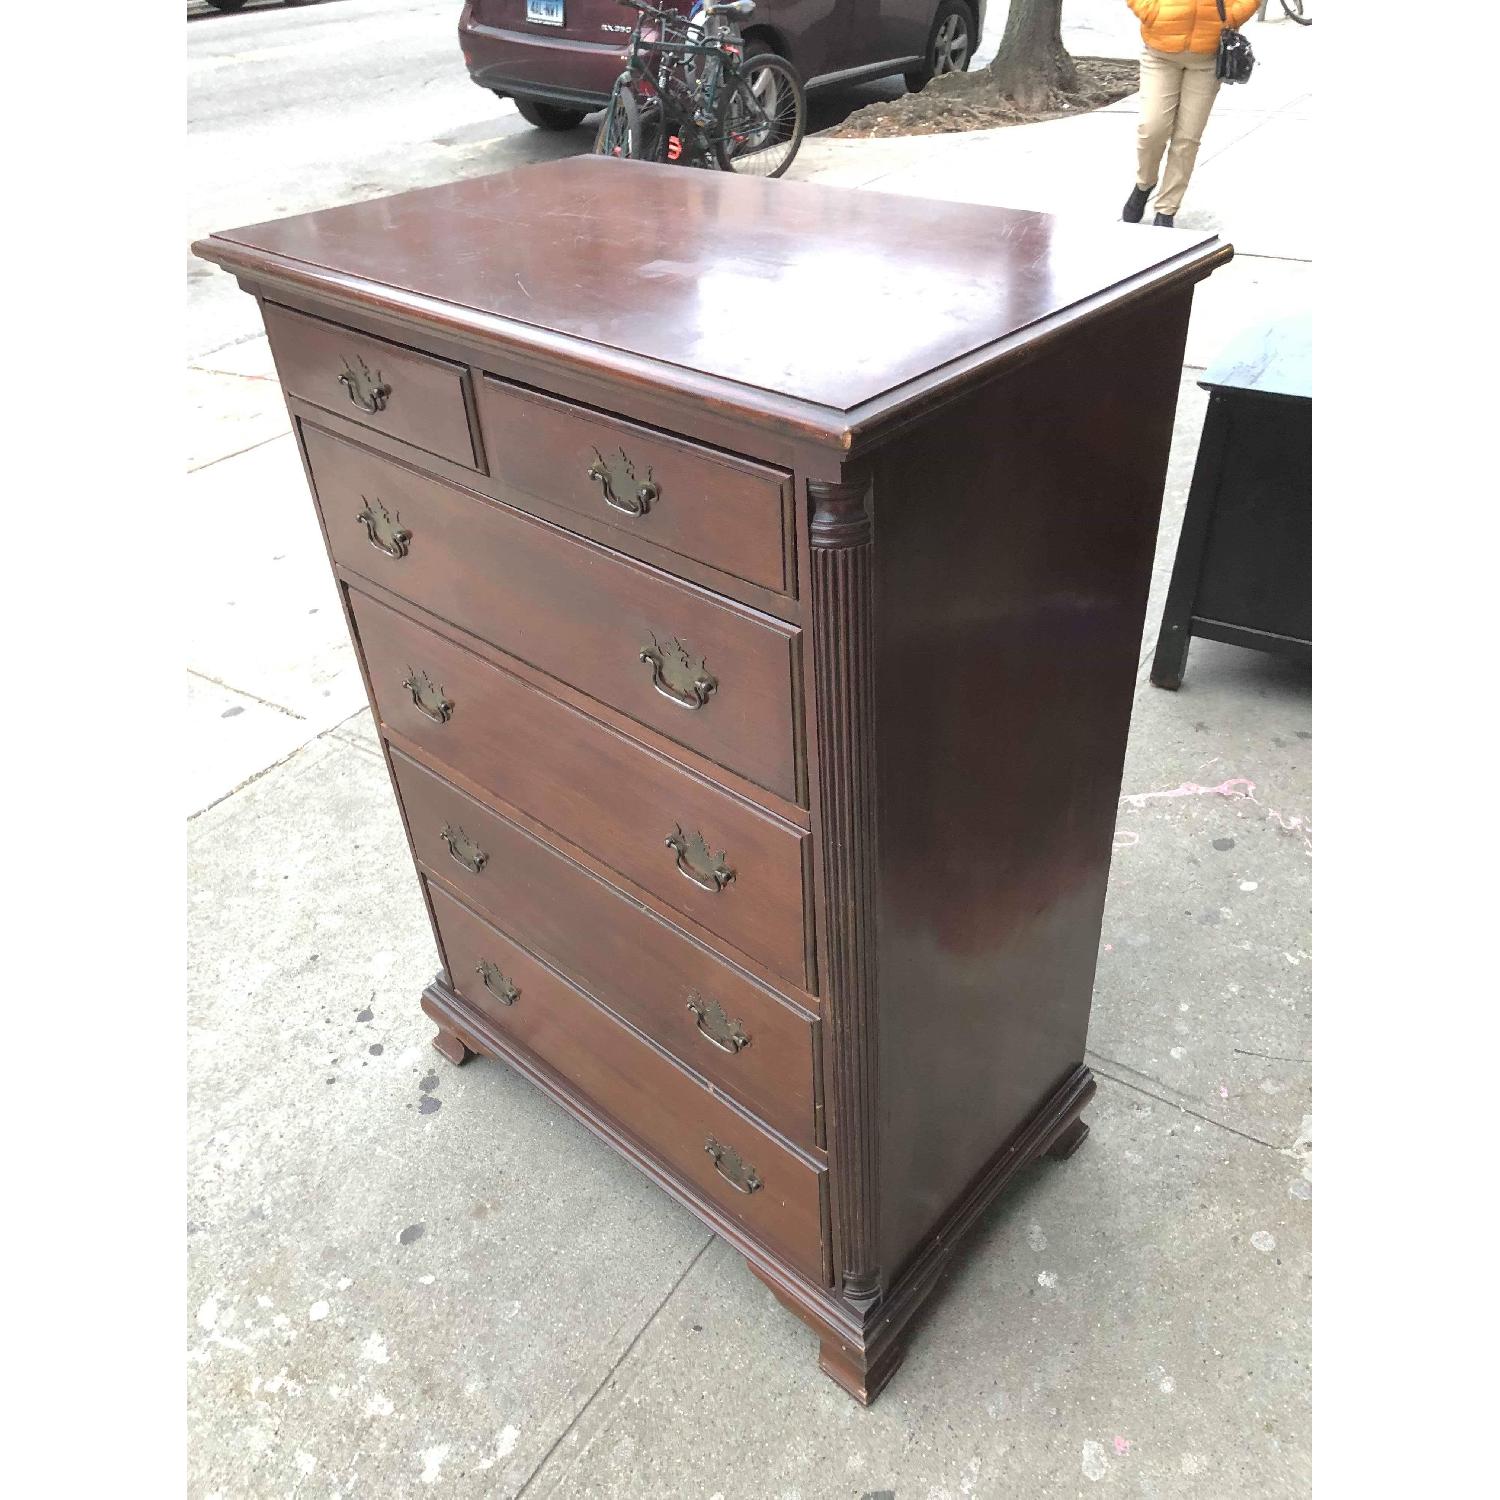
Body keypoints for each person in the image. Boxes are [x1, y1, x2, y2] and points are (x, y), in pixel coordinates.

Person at [1121, 1, 1258, 227]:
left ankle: (1167, 208)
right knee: (1151, 129)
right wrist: (1151, 12)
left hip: (1208, 57)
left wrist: (1231, 17)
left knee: (1187, 138)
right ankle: (1144, 184)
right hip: (1160, 53)